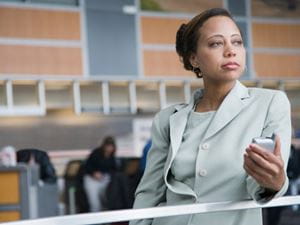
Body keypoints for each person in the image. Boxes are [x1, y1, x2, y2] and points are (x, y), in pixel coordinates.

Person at [130, 8, 291, 225]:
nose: (230, 51)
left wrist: (275, 181)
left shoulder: (270, 103)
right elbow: (149, 194)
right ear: (194, 58)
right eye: (216, 43)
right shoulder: (168, 119)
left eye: (237, 42)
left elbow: (260, 185)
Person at [83, 136, 118, 212]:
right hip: (92, 180)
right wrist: (93, 173)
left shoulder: (112, 157)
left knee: (107, 201)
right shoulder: (96, 153)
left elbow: (114, 170)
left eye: (111, 146)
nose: (109, 148)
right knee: (95, 204)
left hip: (104, 180)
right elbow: (86, 167)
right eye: (108, 146)